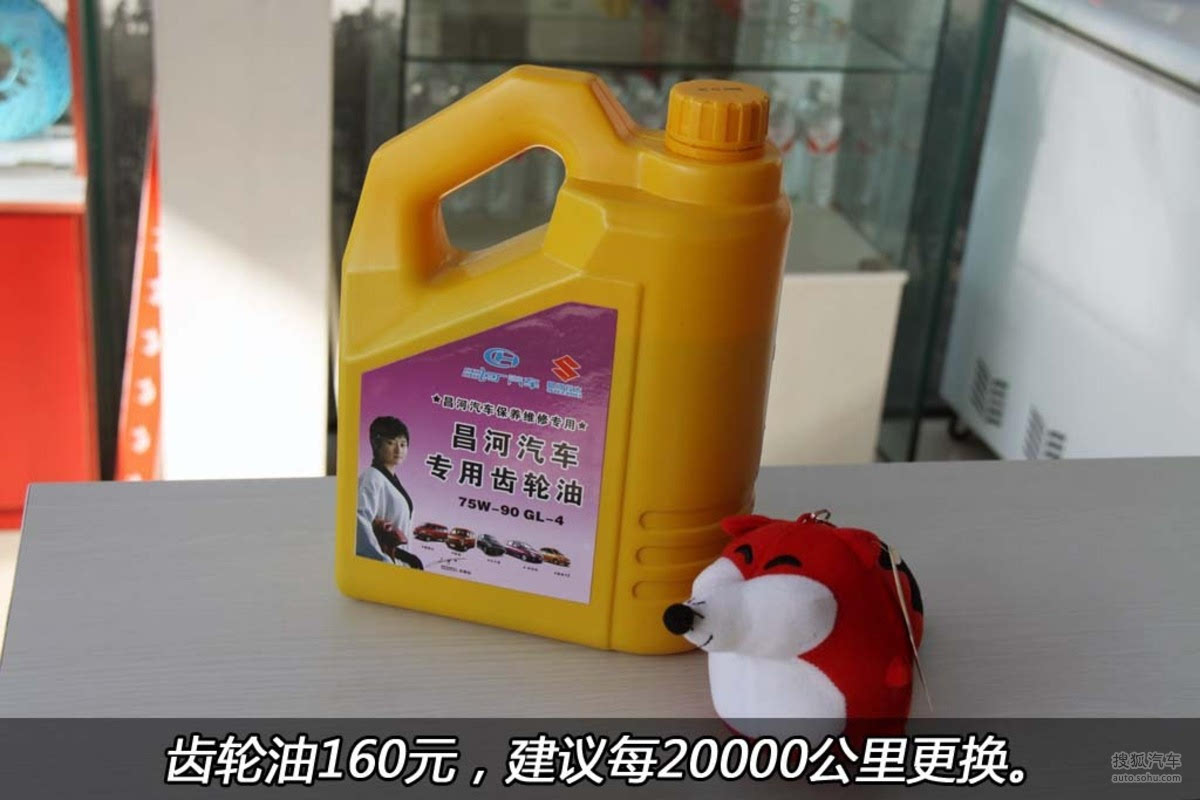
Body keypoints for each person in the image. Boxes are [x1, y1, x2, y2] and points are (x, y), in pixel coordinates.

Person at [356, 416, 423, 569]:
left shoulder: (390, 480)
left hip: (399, 561)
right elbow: (359, 522)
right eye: (391, 443)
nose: (398, 450)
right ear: (376, 444)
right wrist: (382, 559)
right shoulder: (372, 477)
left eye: (403, 444)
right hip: (385, 561)